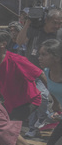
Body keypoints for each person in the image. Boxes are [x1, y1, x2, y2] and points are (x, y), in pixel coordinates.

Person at [18, 9, 62, 137]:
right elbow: (20, 41)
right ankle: (33, 128)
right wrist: (27, 23)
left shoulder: (59, 34)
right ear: (46, 20)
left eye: (60, 23)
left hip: (49, 73)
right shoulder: (35, 30)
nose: (58, 26)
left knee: (42, 96)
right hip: (30, 72)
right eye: (55, 23)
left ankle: (43, 117)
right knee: (32, 99)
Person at [0, 30, 44, 121]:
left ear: (3, 44)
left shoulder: (16, 60)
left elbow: (41, 74)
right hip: (11, 103)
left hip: (29, 101)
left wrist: (56, 100)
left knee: (9, 129)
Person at [37, 39, 62, 145]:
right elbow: (54, 92)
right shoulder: (47, 71)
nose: (39, 57)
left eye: (44, 54)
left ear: (57, 57)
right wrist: (56, 106)